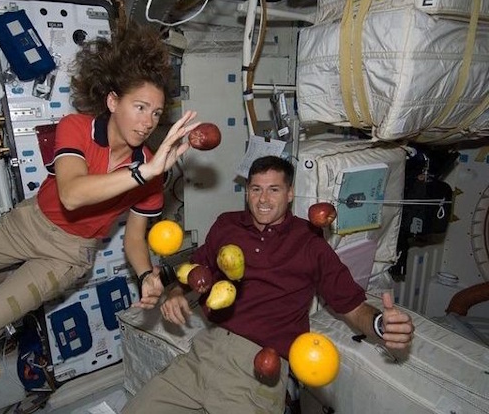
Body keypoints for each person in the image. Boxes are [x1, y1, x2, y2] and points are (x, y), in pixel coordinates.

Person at [0, 22, 200, 413]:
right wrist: (143, 172)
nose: (148, 121)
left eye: (155, 113)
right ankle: (12, 284)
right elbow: (71, 194)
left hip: (68, 255)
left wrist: (145, 276)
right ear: (112, 101)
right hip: (28, 224)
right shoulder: (77, 128)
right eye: (140, 107)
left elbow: (134, 238)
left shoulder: (151, 171)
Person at [122, 155, 415, 414]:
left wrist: (381, 325)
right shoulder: (227, 224)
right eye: (256, 189)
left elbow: (351, 305)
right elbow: (196, 269)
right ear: (247, 192)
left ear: (290, 194)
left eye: (273, 189)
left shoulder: (309, 243)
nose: (263, 199)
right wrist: (175, 292)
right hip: (204, 352)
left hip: (258, 370)